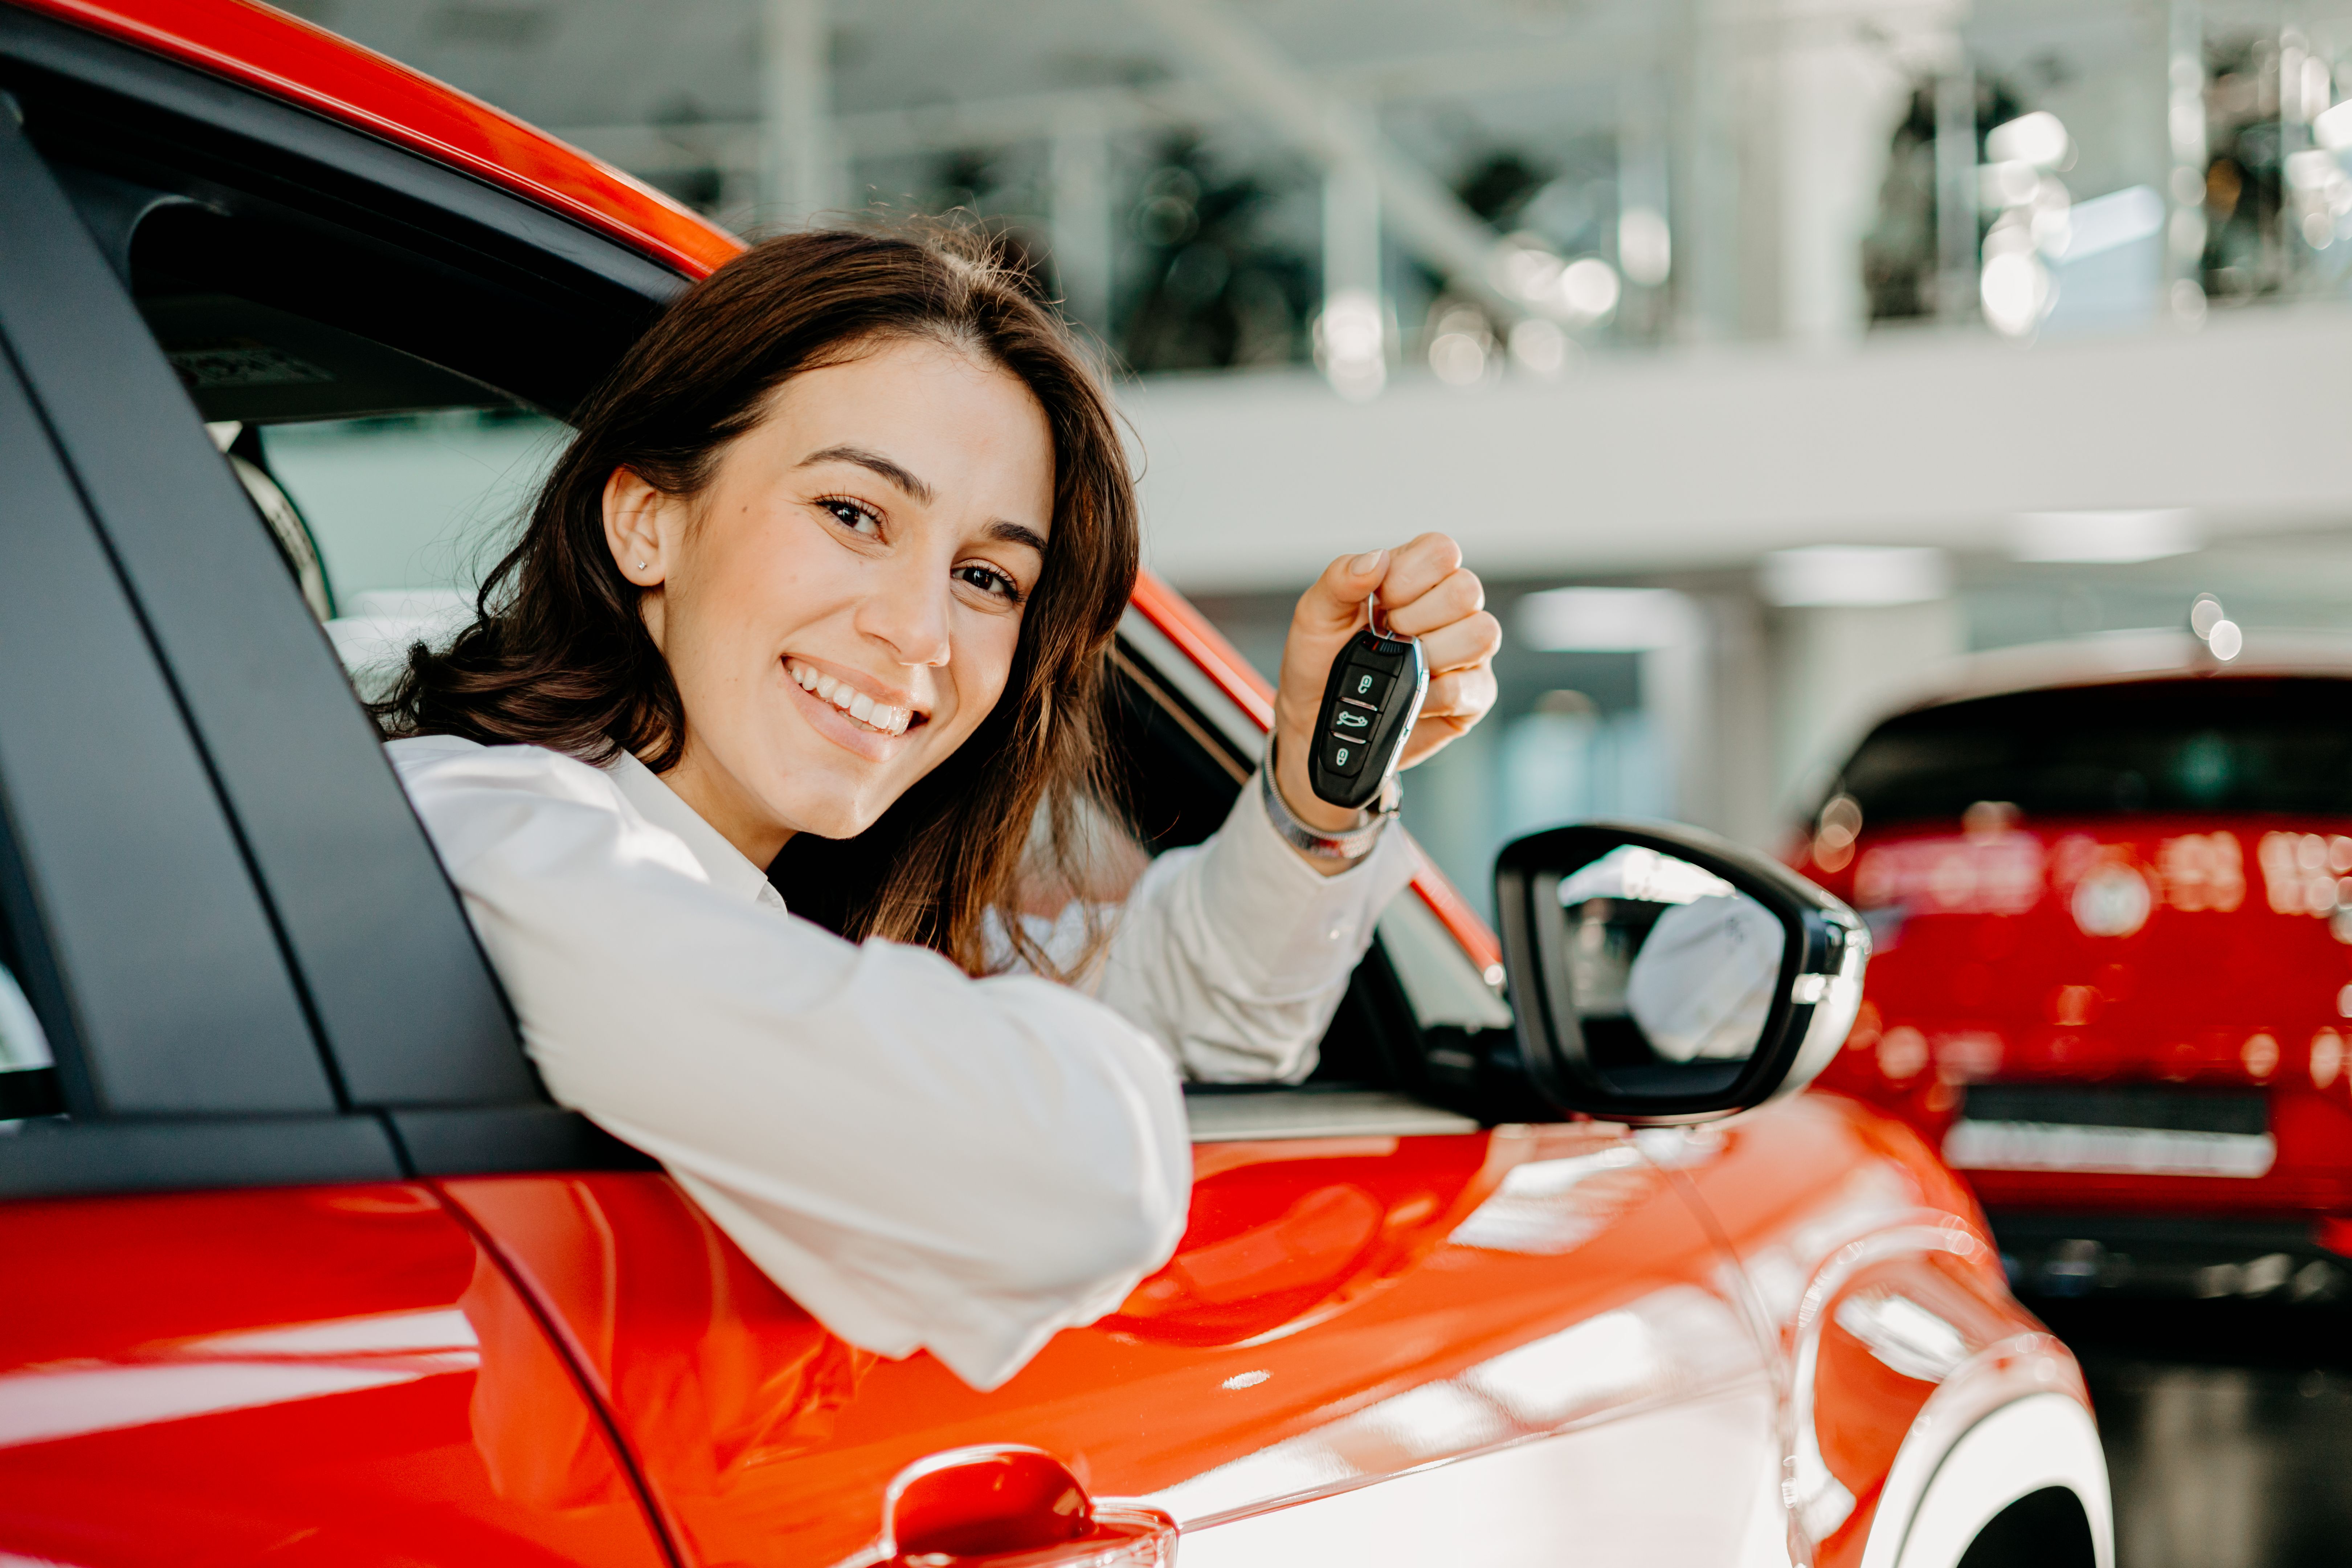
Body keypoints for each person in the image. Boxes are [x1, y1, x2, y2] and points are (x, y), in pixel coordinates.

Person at [377, 228, 1499, 1390]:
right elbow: (1076, 1178)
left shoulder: (768, 900)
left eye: (985, 579)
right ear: (647, 520)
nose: (919, 635)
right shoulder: (480, 829)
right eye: (855, 515)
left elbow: (1186, 1034)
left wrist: (1321, 796)